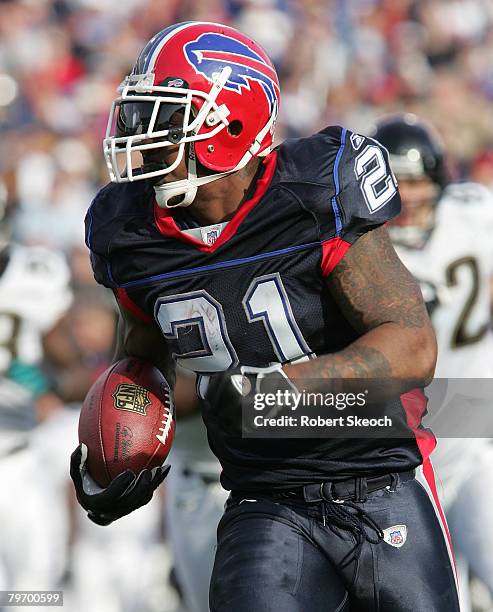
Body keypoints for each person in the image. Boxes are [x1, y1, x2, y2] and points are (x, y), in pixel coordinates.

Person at [70, 22, 459, 611]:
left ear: (229, 123)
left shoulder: (312, 192)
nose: (142, 138)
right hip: (263, 495)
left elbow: (411, 346)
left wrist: (280, 391)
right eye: (139, 116)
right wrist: (118, 453)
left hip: (380, 476)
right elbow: (143, 362)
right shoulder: (131, 232)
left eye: (167, 118)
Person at [373, 113, 493, 612]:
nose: (409, 196)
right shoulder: (362, 253)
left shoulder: (474, 213)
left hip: (472, 441)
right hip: (403, 465)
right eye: (395, 184)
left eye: (418, 181)